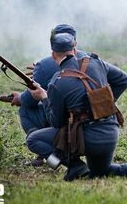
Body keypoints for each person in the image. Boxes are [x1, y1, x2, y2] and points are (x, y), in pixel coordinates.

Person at [27, 33, 127, 181]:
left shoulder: (57, 82)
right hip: (110, 134)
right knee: (100, 171)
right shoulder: (97, 63)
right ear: (75, 48)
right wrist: (103, 104)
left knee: (33, 140)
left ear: (53, 54)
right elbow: (124, 80)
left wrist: (43, 97)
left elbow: (56, 122)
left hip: (86, 140)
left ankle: (73, 165)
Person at [11, 24, 85, 166]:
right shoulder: (90, 59)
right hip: (90, 122)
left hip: (63, 122)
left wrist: (19, 97)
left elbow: (30, 100)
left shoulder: (44, 64)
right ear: (74, 42)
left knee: (26, 110)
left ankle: (52, 159)